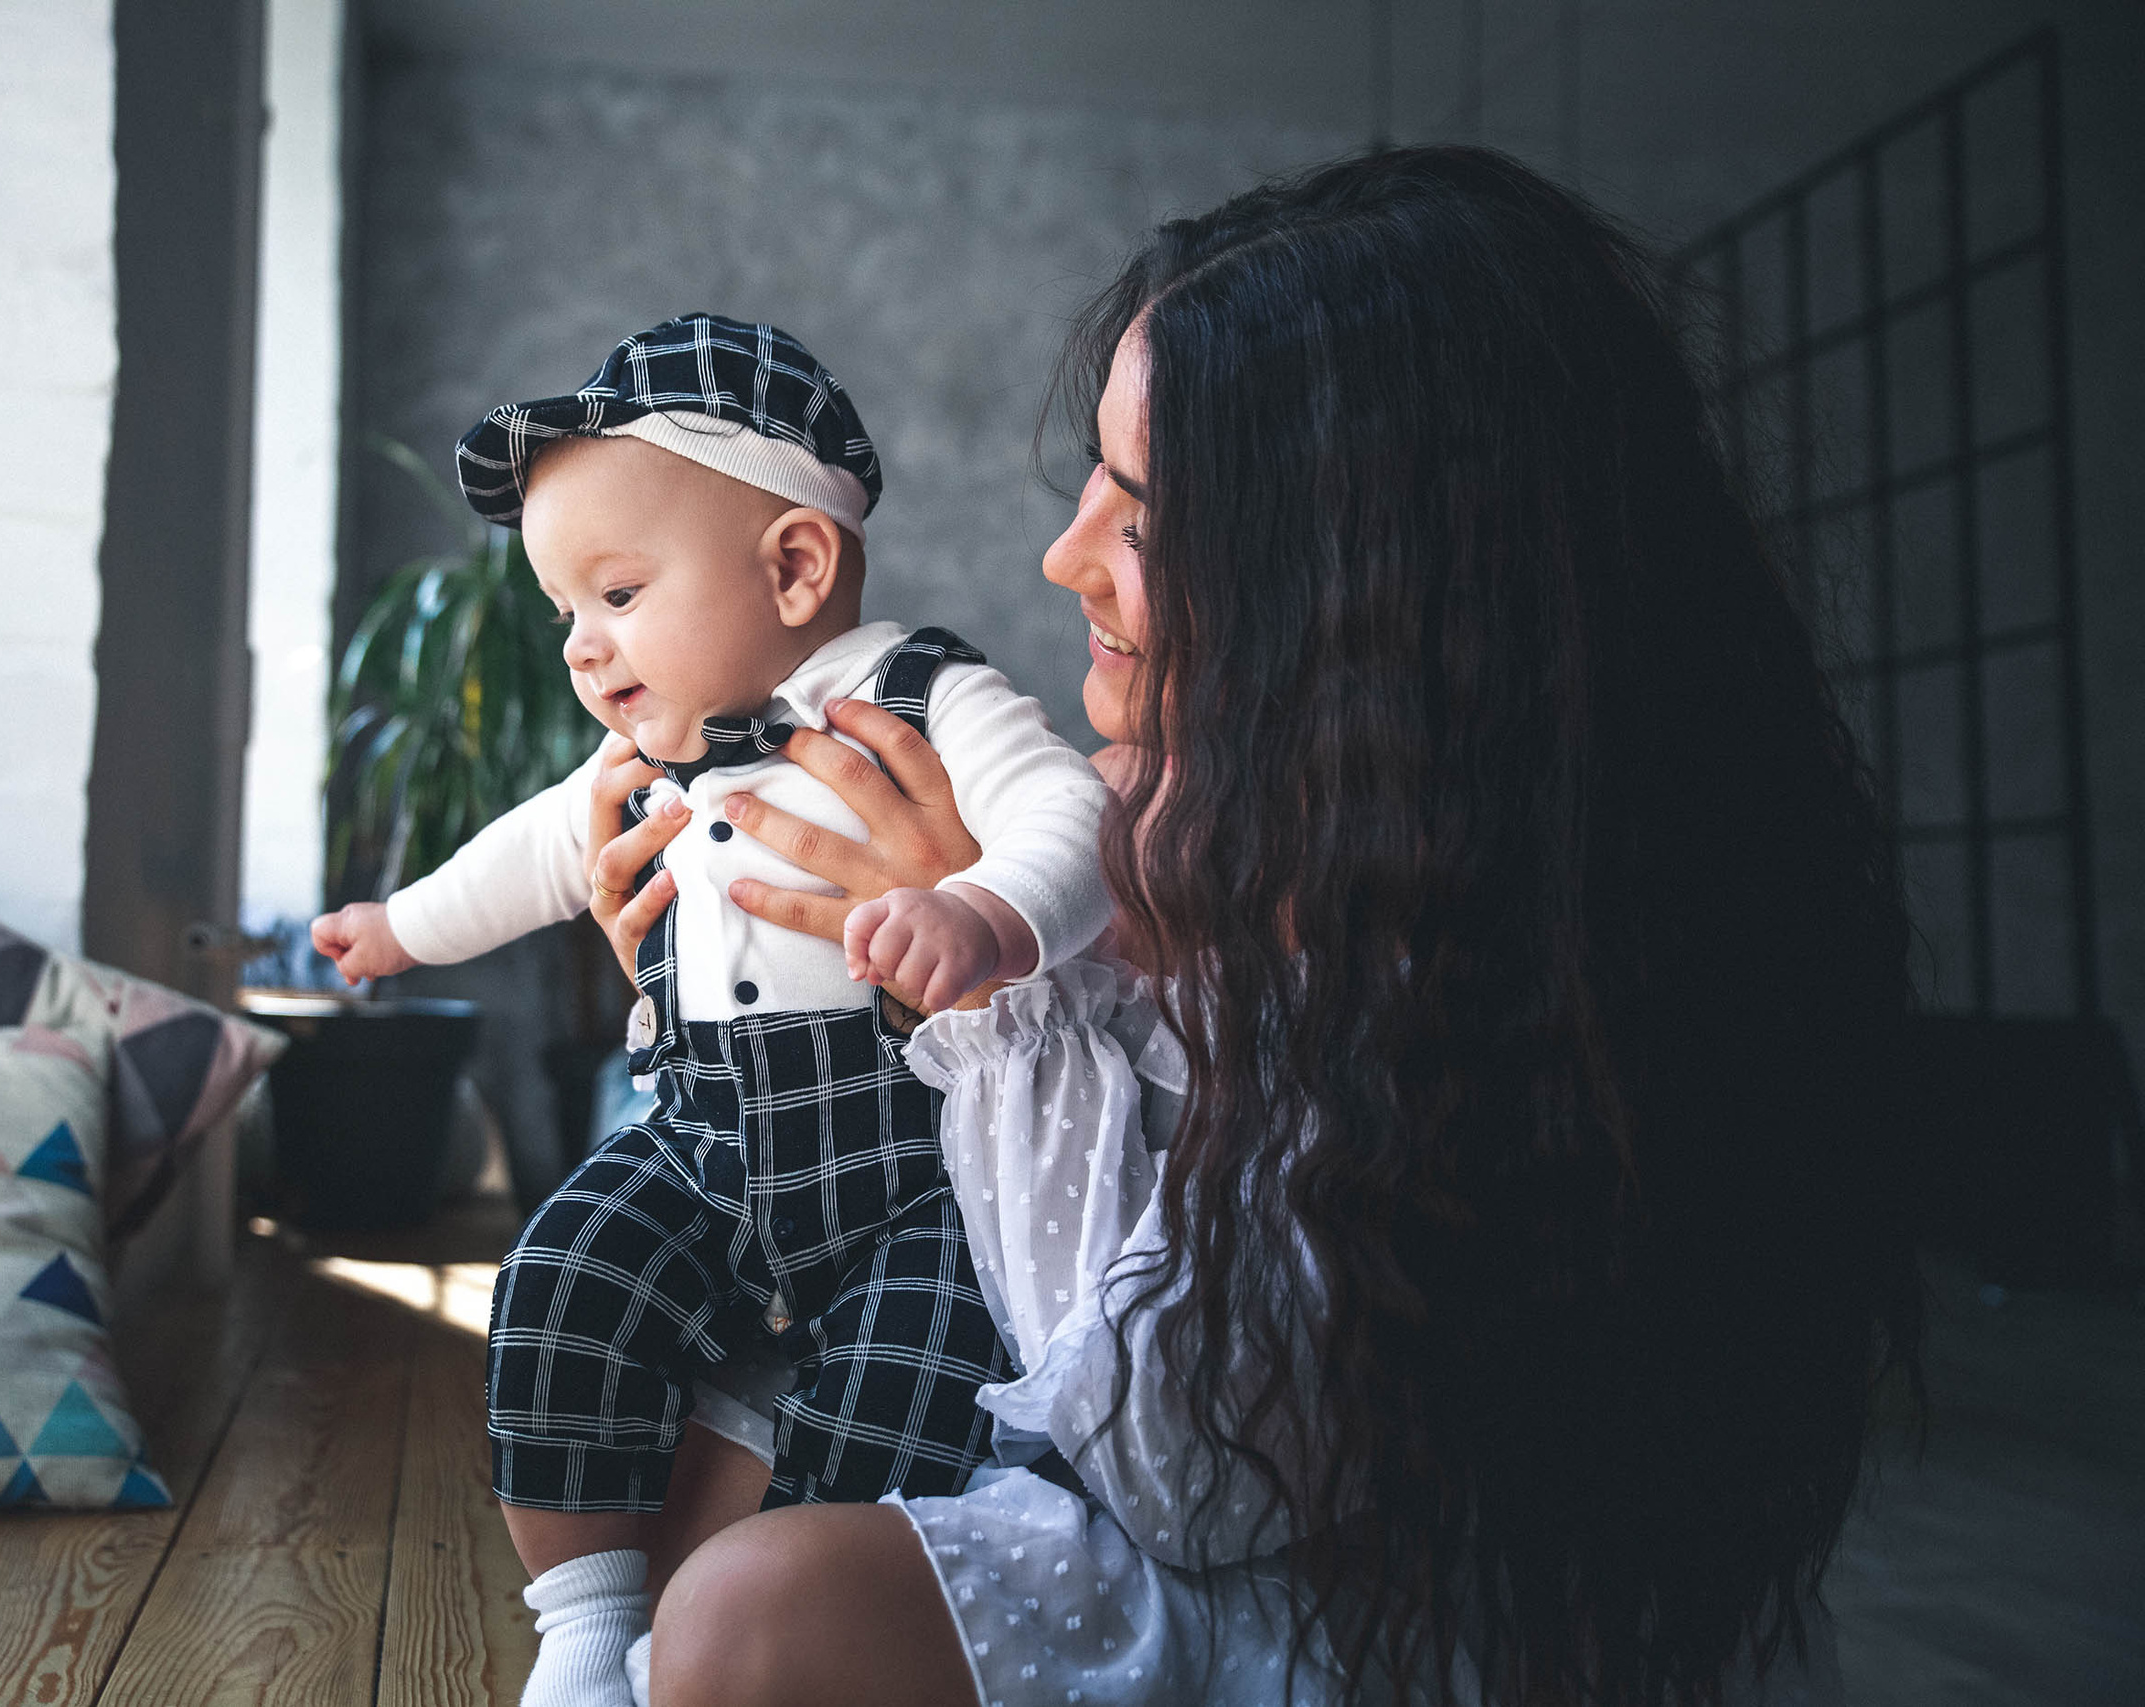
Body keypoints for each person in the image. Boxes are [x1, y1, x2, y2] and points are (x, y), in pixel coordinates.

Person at [575, 150, 1921, 1707]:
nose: (1064, 557)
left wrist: (984, 1007)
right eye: (1094, 480)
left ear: (1360, 591)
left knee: (756, 1606)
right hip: (1192, 1487)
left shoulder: (1433, 957)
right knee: (700, 1440)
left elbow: (1178, 1470)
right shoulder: (1203, 808)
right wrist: (738, 1009)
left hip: (1371, 1618)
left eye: (1141, 520)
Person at [311, 313, 1113, 1707]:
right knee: (562, 1286)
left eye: (614, 595)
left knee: (906, 1384)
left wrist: (982, 915)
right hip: (700, 1141)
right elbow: (532, 854)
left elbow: (1073, 815)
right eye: (566, 612)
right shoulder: (647, 755)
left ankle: (750, 1623)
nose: (579, 647)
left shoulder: (924, 697)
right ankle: (582, 1623)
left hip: (916, 1175)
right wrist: (398, 929)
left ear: (795, 565)